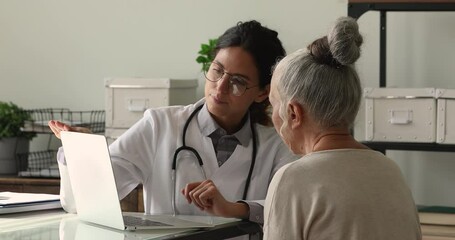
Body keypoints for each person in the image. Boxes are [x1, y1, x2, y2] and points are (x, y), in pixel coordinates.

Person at [49, 20, 295, 229]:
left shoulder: (276, 145)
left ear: (263, 92)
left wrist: (233, 209)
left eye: (238, 82)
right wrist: (81, 151)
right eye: (217, 71)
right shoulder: (159, 126)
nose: (220, 87)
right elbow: (84, 201)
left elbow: (287, 208)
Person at [263, 17, 422, 240]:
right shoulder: (390, 171)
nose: (273, 118)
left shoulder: (293, 179)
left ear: (293, 113)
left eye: (273, 105)